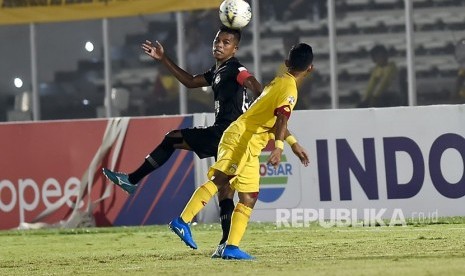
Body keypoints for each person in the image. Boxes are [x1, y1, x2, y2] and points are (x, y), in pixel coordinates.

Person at [102, 26, 262, 257]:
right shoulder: (219, 70)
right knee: (225, 190)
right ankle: (226, 245)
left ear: (235, 48)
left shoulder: (235, 68)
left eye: (226, 42)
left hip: (227, 133)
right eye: (218, 40)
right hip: (229, 137)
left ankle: (133, 180)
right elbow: (189, 81)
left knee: (172, 139)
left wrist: (262, 98)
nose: (219, 44)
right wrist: (163, 58)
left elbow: (251, 82)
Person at [168, 43, 313, 260]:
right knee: (221, 180)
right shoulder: (289, 89)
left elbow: (272, 121)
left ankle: (230, 246)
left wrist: (293, 143)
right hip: (241, 139)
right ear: (310, 68)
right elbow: (281, 119)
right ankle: (182, 221)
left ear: (286, 63)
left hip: (249, 144)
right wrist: (279, 148)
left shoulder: (278, 82)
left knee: (249, 196)